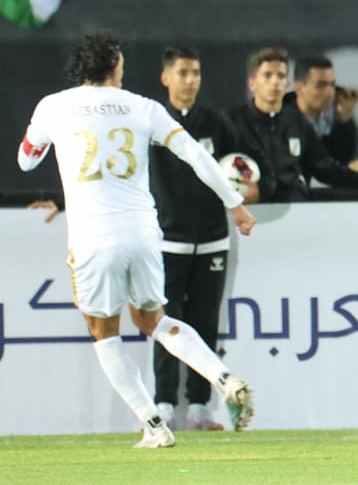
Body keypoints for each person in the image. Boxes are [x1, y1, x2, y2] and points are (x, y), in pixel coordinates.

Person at [15, 33, 256, 449]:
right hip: (144, 232)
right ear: (114, 66)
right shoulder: (144, 107)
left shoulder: (53, 106)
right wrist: (234, 202)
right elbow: (196, 155)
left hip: (93, 236)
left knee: (103, 331)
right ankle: (223, 377)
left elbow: (26, 159)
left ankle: (155, 426)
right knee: (154, 320)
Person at [150, 46, 241, 432]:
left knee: (205, 322)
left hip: (213, 240)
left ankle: (201, 407)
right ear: (166, 77)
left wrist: (247, 187)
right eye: (184, 72)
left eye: (197, 73)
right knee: (167, 324)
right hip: (167, 241)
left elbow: (240, 165)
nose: (191, 81)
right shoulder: (151, 123)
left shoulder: (214, 122)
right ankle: (165, 403)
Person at [225, 47, 358, 203]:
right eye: (267, 75)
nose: (275, 82)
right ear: (252, 83)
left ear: (286, 83)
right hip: (244, 215)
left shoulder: (297, 124)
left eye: (280, 76)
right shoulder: (231, 121)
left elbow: (327, 167)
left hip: (292, 215)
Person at [284, 56, 358, 165]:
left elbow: (337, 163)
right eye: (321, 86)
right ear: (299, 88)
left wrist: (345, 120)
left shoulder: (331, 121)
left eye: (332, 85)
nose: (329, 93)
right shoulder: (279, 122)